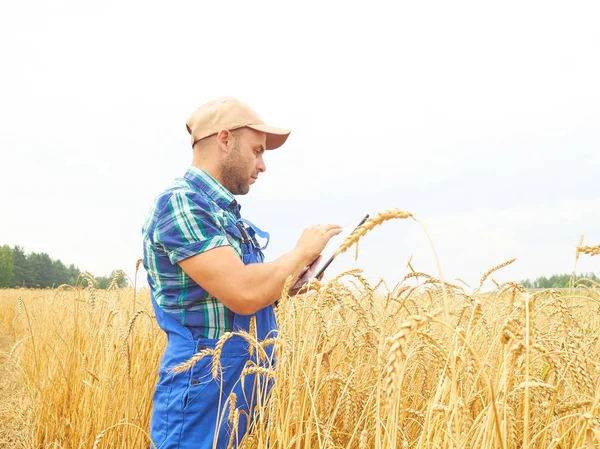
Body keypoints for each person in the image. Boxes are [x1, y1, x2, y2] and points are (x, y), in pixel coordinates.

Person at [141, 97, 342, 449]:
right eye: (257, 150)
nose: (262, 165)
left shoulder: (224, 215)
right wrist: (301, 251)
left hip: (239, 385)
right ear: (224, 140)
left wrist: (286, 286)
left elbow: (232, 295)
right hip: (202, 389)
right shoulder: (181, 203)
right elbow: (243, 292)